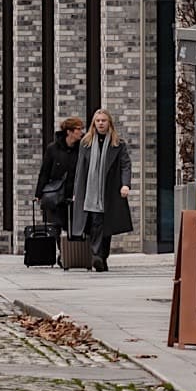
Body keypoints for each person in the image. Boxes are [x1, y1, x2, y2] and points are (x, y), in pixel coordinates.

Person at [71, 109, 133, 273]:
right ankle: (97, 256)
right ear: (94, 123)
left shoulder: (118, 144)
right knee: (95, 223)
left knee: (106, 226)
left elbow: (126, 165)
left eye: (103, 120)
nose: (100, 123)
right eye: (98, 120)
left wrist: (125, 184)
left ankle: (102, 257)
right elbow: (80, 169)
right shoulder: (86, 143)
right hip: (90, 191)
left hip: (109, 191)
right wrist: (77, 191)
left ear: (109, 123)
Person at [34, 115, 84, 247]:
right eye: (78, 129)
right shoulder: (53, 148)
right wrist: (38, 193)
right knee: (56, 225)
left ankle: (73, 253)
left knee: (74, 225)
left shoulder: (82, 148)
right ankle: (61, 252)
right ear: (69, 131)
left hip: (75, 193)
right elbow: (45, 172)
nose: (81, 132)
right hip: (56, 193)